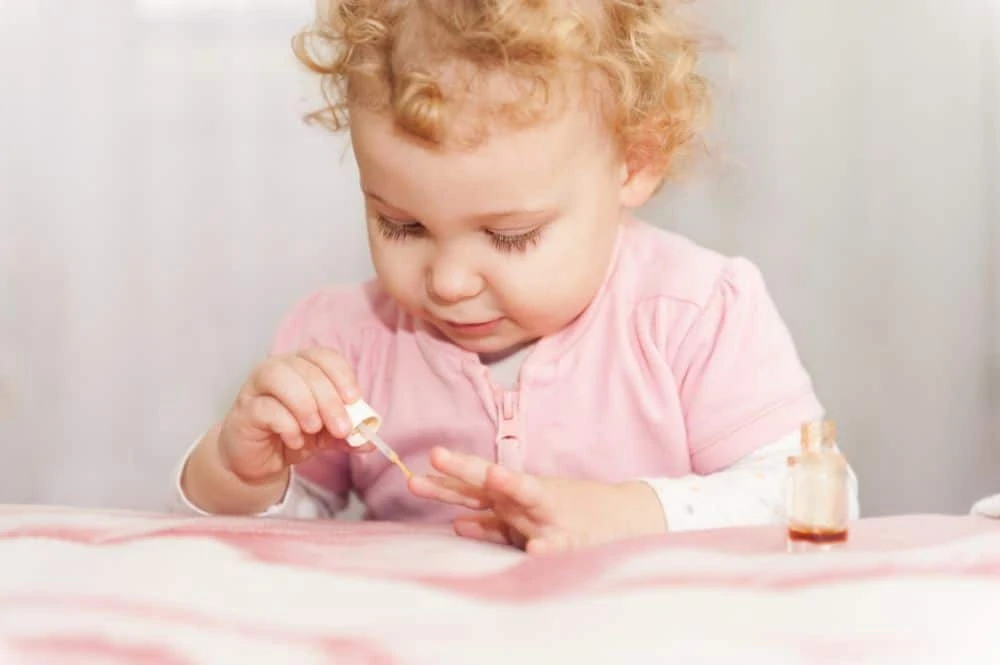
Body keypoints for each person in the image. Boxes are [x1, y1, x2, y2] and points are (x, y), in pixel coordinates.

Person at [173, 0, 859, 554]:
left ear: (633, 164)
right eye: (401, 225)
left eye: (510, 235)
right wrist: (239, 473)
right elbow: (274, 546)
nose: (447, 281)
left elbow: (815, 494)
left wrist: (626, 512)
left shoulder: (695, 313)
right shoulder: (342, 340)